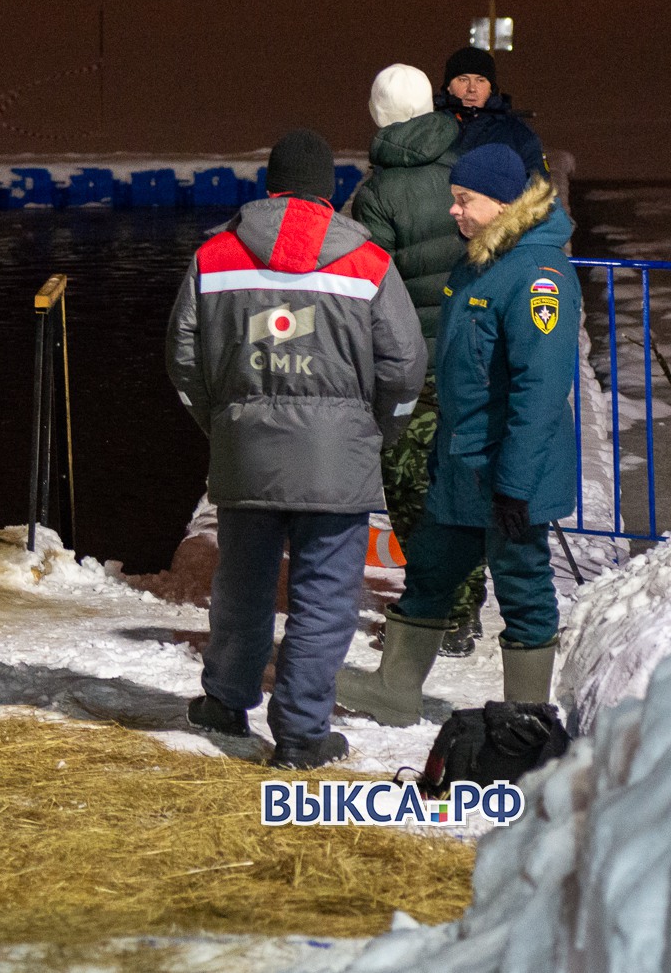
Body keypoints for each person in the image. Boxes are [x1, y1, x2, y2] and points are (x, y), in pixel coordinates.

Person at [167, 129, 426, 769]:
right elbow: (405, 366)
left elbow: (183, 360)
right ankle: (301, 734)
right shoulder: (368, 262)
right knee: (324, 597)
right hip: (337, 461)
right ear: (329, 192)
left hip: (246, 453)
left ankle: (226, 703)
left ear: (270, 185)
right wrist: (375, 432)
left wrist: (226, 423)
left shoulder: (216, 256)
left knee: (241, 586)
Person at [337, 145, 580, 725]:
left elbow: (539, 390)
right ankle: (395, 690)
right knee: (430, 571)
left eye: (463, 200)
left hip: (507, 474)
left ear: (502, 203)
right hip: (464, 463)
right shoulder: (483, 261)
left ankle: (526, 721)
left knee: (523, 587)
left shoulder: (538, 276)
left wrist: (515, 485)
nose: (454, 211)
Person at [352, 62, 489, 655]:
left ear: (379, 115)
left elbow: (366, 289)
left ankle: (434, 614)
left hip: (410, 365)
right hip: (471, 355)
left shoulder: (377, 192)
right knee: (462, 482)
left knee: (409, 489)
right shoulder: (466, 169)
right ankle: (466, 608)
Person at [437, 46, 546, 175]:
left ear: (491, 88)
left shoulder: (517, 133)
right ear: (448, 87)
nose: (472, 88)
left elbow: (539, 187)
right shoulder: (430, 126)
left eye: (481, 80)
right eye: (463, 80)